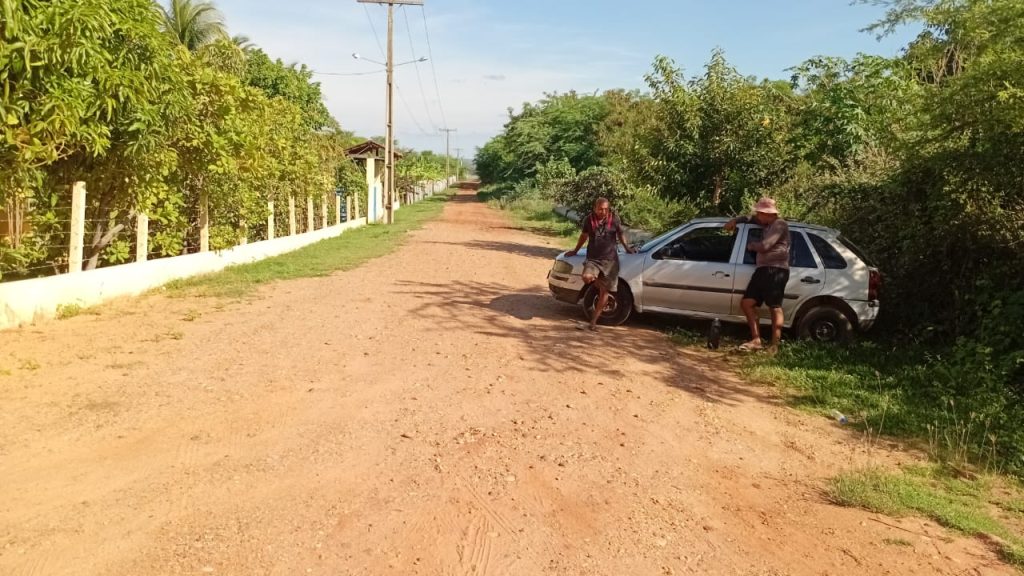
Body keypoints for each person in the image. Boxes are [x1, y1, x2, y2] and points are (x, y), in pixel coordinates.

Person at [724, 197, 791, 353]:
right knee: (747, 303)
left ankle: (774, 345)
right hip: (762, 269)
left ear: (767, 214)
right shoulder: (766, 223)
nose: (757, 217)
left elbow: (765, 246)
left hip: (776, 270)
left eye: (759, 213)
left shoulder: (779, 224)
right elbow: (749, 218)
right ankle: (756, 340)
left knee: (774, 306)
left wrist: (751, 245)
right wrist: (736, 220)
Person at [566, 197, 636, 331]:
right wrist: (575, 250)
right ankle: (601, 284)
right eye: (600, 209)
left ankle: (593, 322)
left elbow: (620, 234)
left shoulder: (614, 219)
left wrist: (627, 248)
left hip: (610, 261)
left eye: (605, 209)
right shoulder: (589, 219)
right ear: (595, 208)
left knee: (604, 292)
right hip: (593, 258)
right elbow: (584, 236)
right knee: (586, 277)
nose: (603, 212)